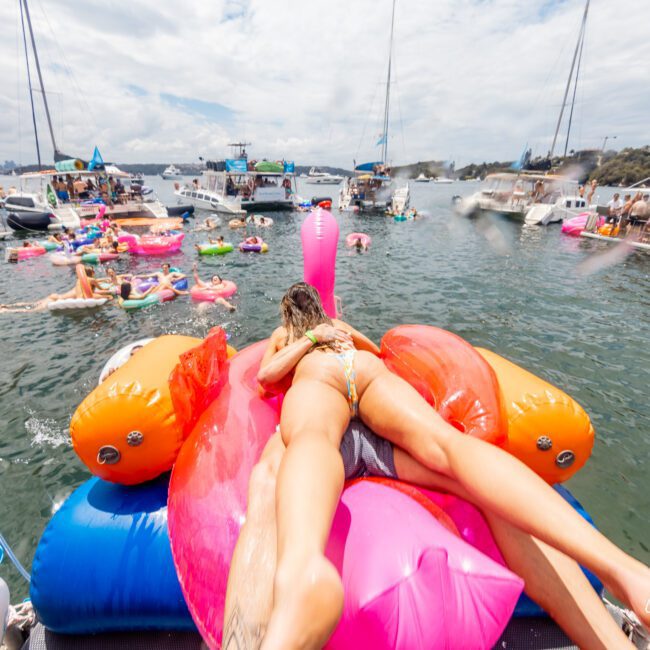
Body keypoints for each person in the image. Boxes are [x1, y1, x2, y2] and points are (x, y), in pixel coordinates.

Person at [252, 283, 649, 649]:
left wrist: (306, 342)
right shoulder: (335, 326)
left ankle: (303, 569)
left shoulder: (288, 335)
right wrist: (335, 335)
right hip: (367, 378)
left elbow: (265, 379)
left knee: (311, 439)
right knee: (447, 445)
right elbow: (374, 352)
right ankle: (623, 570)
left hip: (321, 383)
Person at [223, 424, 633, 650]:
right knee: (458, 458)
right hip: (384, 433)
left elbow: (271, 373)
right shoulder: (360, 359)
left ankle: (297, 576)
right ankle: (620, 584)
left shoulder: (304, 356)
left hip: (326, 432)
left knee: (273, 477)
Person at [0, 266, 102, 312]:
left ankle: (7, 305)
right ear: (90, 275)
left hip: (55, 296)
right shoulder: (87, 283)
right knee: (31, 310)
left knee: (31, 304)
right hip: (55, 300)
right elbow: (99, 287)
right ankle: (5, 310)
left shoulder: (80, 282)